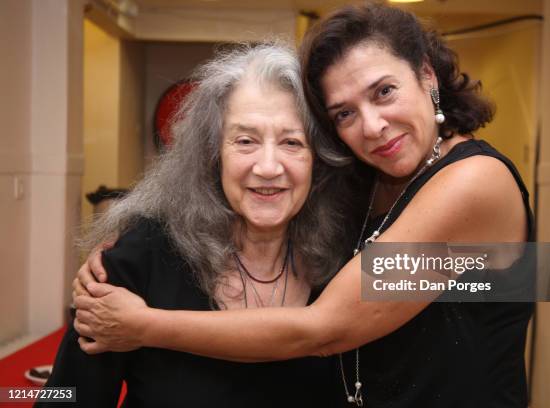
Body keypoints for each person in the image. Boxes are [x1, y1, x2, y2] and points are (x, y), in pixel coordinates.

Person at [73, 4, 534, 407]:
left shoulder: (469, 182)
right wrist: (129, 247)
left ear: (426, 76)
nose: (372, 126)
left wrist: (144, 325)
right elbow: (63, 395)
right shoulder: (365, 192)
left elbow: (324, 328)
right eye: (344, 114)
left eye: (384, 91)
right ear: (212, 153)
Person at [38, 43, 355, 407]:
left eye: (292, 142)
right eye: (246, 141)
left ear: (319, 158)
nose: (269, 167)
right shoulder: (140, 256)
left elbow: (433, 276)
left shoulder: (349, 252)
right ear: (212, 154)